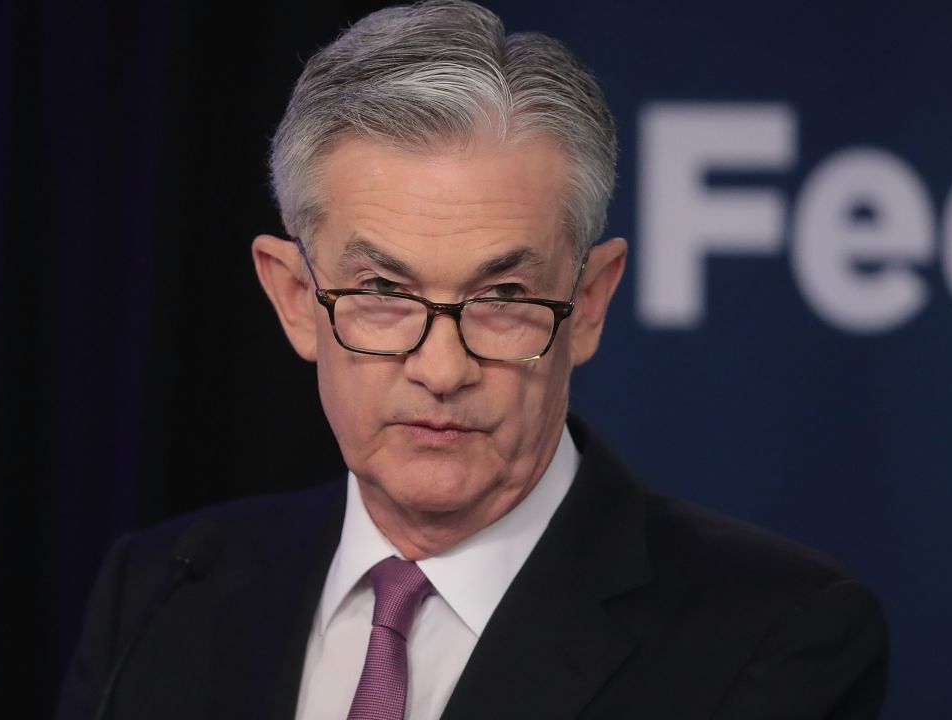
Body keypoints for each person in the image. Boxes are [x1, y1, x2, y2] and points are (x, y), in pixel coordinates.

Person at [56, 1, 888, 718]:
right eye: (382, 289)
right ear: (294, 299)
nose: (442, 369)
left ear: (589, 303)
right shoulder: (162, 596)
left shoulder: (773, 635)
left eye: (500, 300)